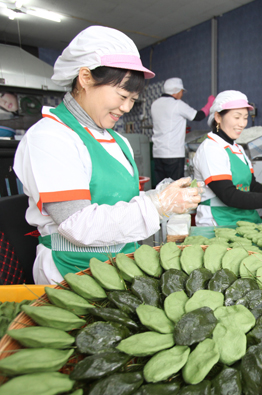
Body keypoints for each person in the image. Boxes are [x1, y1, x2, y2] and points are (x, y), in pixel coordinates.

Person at [14, 26, 202, 284]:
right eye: (123, 95)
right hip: (72, 272)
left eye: (133, 99)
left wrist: (162, 198)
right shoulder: (50, 137)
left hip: (121, 263)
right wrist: (156, 206)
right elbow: (77, 224)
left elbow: (120, 203)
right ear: (85, 78)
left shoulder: (117, 139)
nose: (126, 107)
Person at [193, 90, 262, 226]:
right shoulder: (211, 148)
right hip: (219, 221)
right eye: (237, 117)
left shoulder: (237, 148)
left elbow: (251, 186)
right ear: (218, 117)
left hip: (244, 217)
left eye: (245, 117)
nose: (242, 123)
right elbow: (229, 195)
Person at [151, 78, 214, 186]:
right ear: (176, 91)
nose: (182, 94)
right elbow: (198, 116)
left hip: (157, 153)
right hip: (173, 153)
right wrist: (210, 104)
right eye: (181, 92)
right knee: (176, 187)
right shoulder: (177, 104)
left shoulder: (154, 104)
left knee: (161, 187)